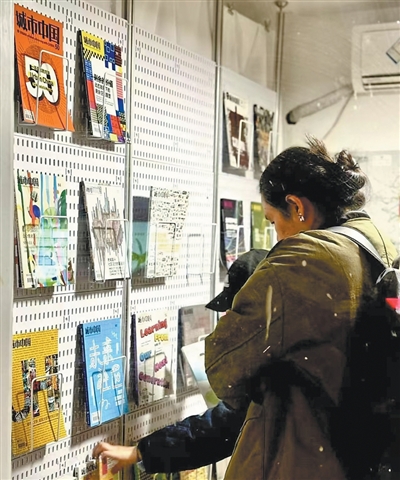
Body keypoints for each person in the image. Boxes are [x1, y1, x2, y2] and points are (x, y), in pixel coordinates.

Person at [205, 136, 399, 480]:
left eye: (272, 221)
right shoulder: (381, 242)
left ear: (296, 207)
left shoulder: (302, 259)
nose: (277, 235)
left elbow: (223, 367)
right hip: (370, 454)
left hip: (305, 455)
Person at [92, 249, 269, 474]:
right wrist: (144, 452)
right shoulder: (283, 351)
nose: (228, 320)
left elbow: (226, 426)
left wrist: (144, 451)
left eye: (236, 312)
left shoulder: (279, 368)